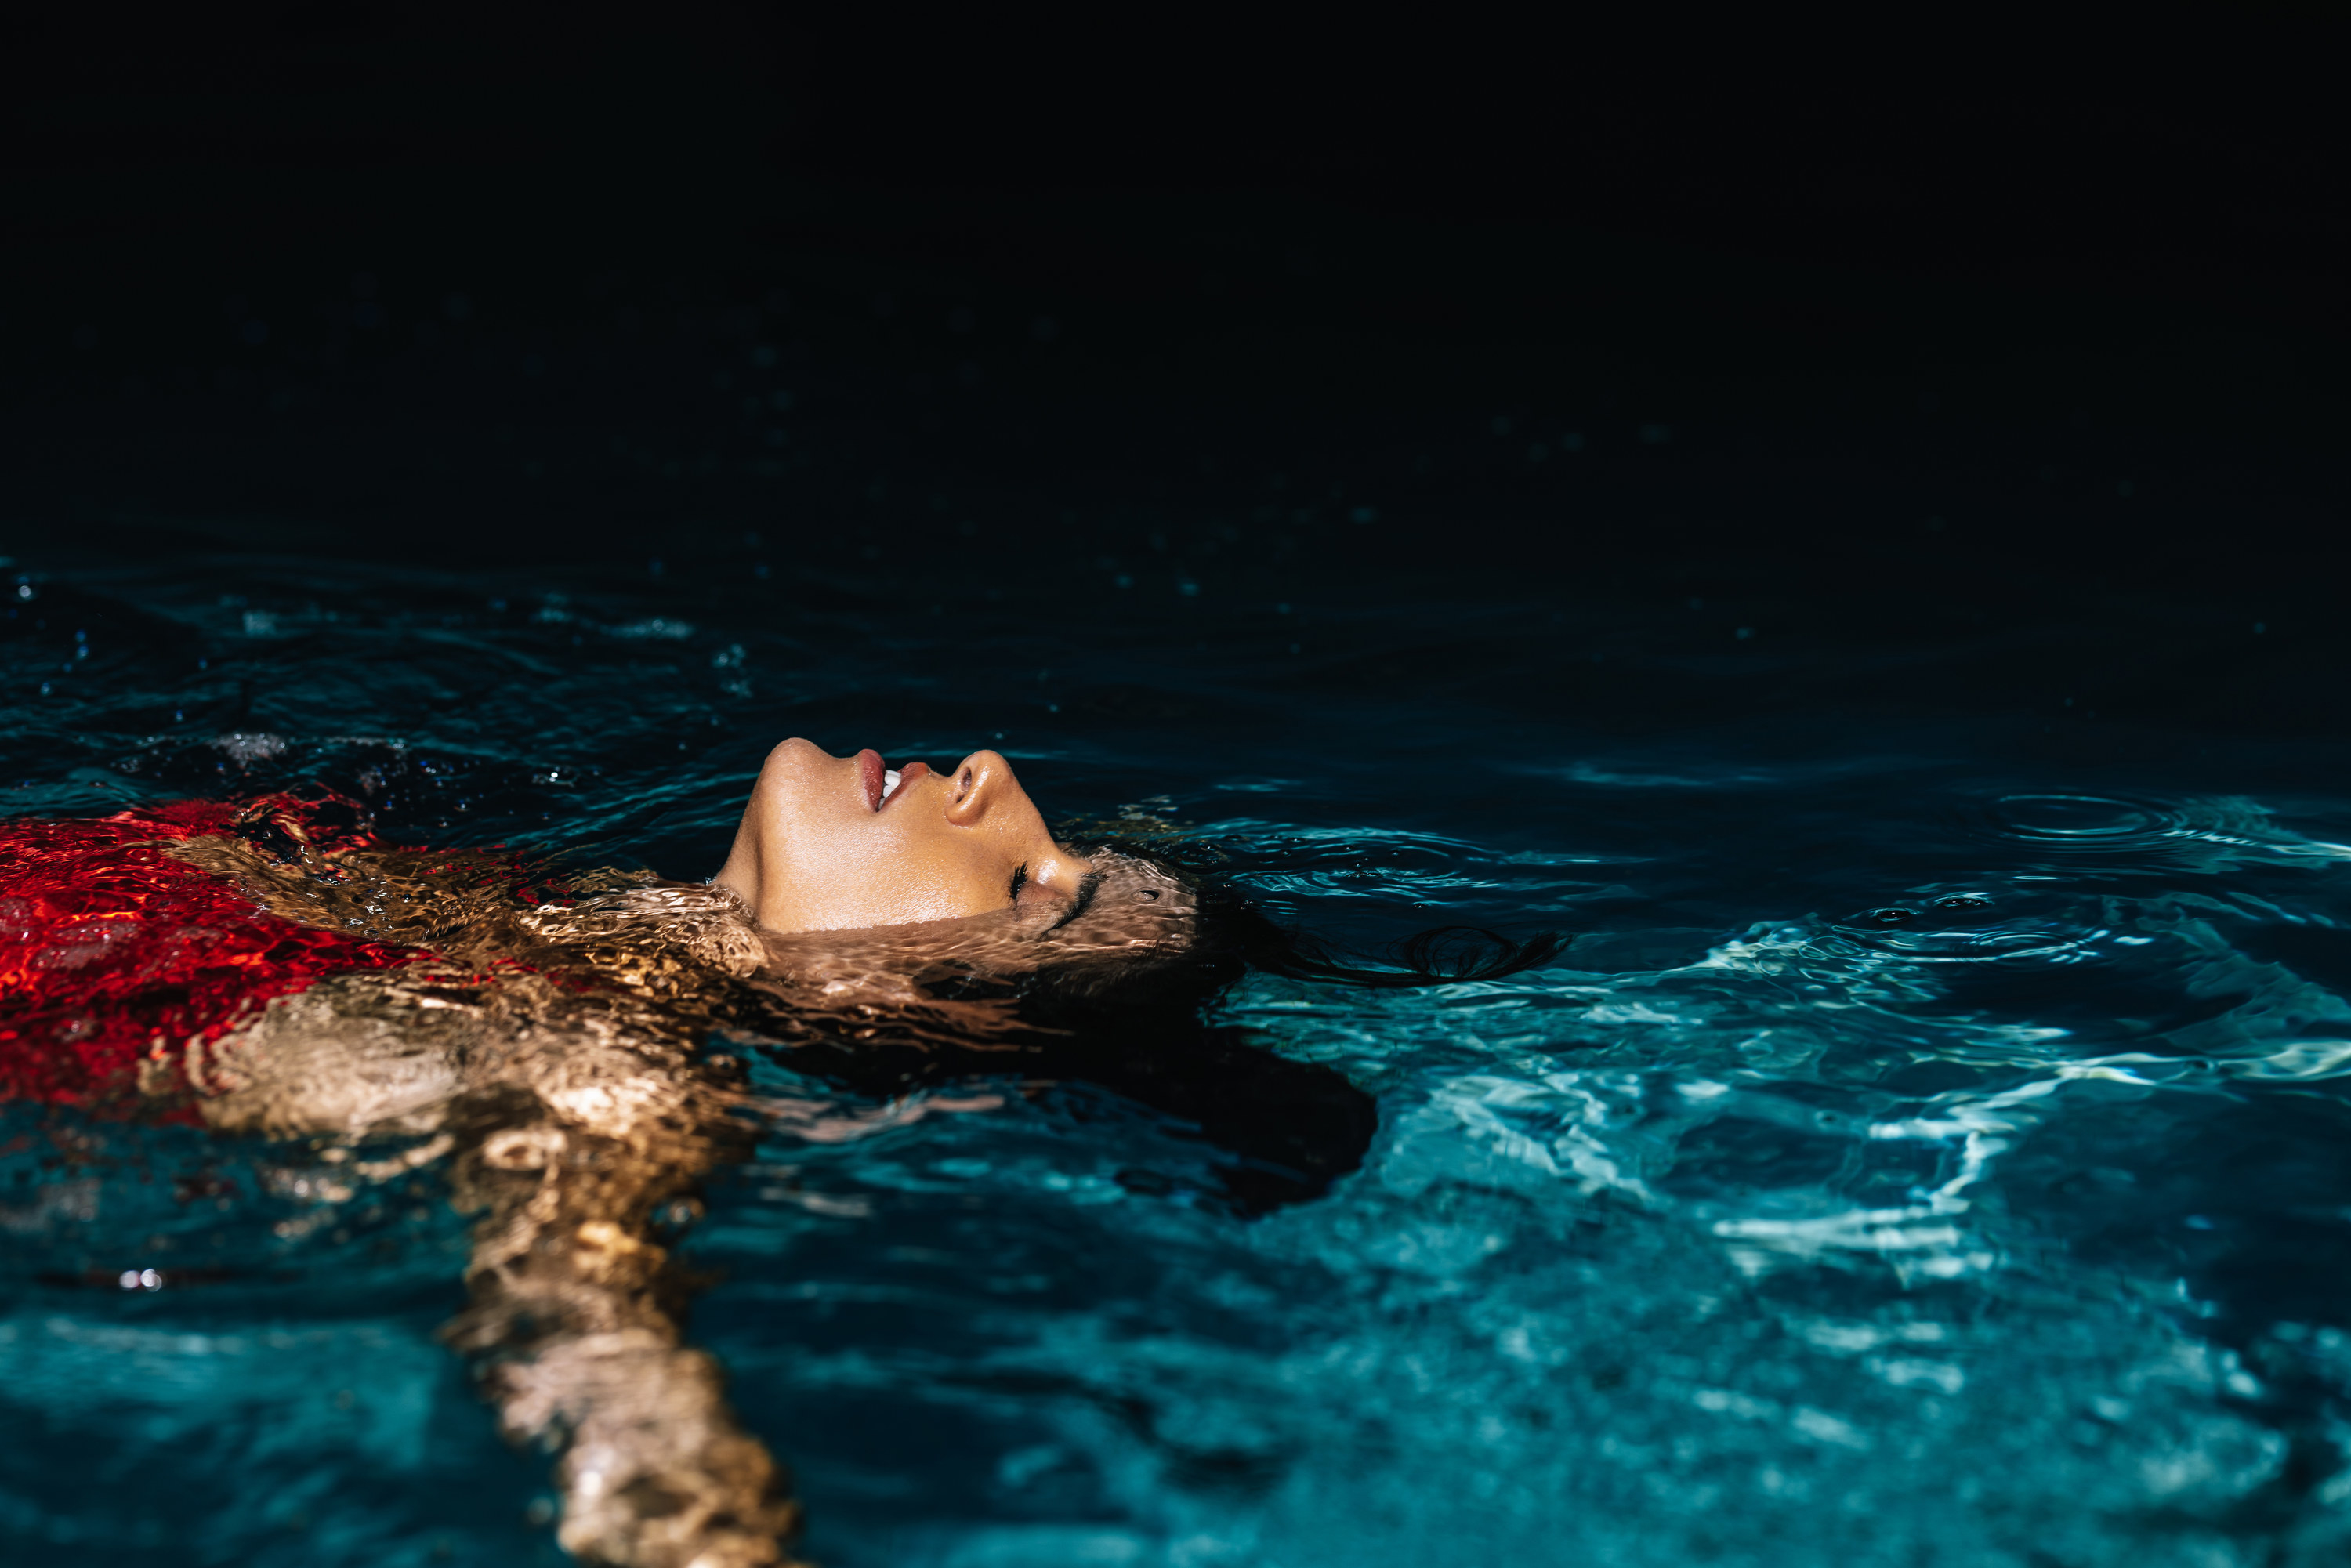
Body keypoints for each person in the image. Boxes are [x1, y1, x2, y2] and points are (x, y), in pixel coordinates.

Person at [2, 740, 1449, 1568]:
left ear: (895, 1000)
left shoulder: (600, 1071)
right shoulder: (529, 913)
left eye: (1025, 884)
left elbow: (602, 1359)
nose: (997, 780)